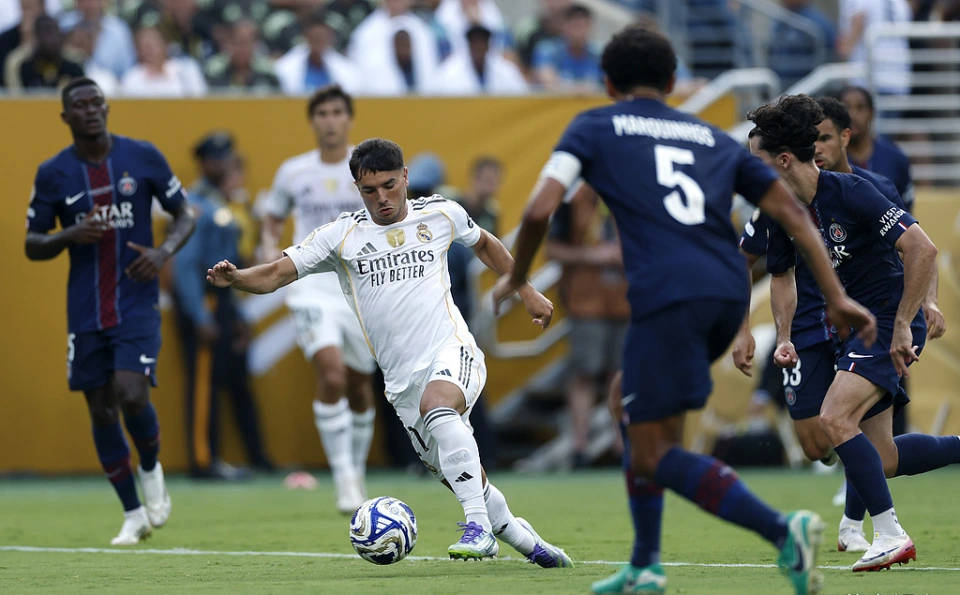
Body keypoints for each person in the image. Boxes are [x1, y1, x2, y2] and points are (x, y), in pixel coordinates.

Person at [493, 25, 877, 595]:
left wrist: (517, 275)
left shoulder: (594, 126)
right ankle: (645, 563)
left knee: (653, 450)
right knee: (629, 403)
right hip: (725, 292)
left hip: (670, 296)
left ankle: (782, 531)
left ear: (607, 82)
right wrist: (838, 296)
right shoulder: (712, 137)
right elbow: (793, 215)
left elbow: (536, 211)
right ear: (673, 81)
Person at [208, 137, 573, 567]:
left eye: (389, 185)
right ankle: (528, 543)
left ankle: (477, 529)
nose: (381, 197)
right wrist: (237, 278)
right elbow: (275, 273)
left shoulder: (440, 213)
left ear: (404, 177)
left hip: (452, 349)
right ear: (357, 189)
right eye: (369, 190)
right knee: (463, 477)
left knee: (439, 407)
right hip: (401, 385)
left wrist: (526, 290)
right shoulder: (341, 236)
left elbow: (485, 243)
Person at [748, 94, 960, 572]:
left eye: (755, 161)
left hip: (888, 322)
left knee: (833, 418)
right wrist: (784, 335)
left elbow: (922, 249)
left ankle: (889, 534)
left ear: (784, 160)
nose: (748, 171)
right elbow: (781, 276)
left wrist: (906, 323)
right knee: (882, 458)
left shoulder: (853, 191)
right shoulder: (783, 210)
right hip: (858, 332)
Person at [24, 77, 195, 544]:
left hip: (136, 299)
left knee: (131, 393)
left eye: (97, 102)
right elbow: (32, 243)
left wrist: (162, 253)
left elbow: (185, 214)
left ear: (107, 107)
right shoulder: (54, 172)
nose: (91, 110)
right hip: (85, 309)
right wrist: (69, 234)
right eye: (80, 105)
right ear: (66, 117)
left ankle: (151, 466)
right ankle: (133, 513)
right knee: (100, 410)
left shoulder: (142, 156)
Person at [259, 85, 377, 513]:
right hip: (309, 286)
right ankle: (344, 478)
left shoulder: (366, 166)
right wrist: (270, 250)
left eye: (337, 112)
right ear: (313, 121)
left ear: (349, 119)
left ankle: (356, 470)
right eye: (322, 113)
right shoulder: (293, 172)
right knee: (332, 376)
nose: (330, 121)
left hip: (358, 287)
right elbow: (273, 217)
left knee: (360, 386)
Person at [172, 132, 273, 479]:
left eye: (226, 157)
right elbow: (186, 265)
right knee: (205, 384)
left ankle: (255, 458)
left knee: (234, 381)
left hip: (224, 301)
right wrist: (200, 315)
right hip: (205, 301)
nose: (223, 164)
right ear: (203, 163)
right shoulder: (194, 204)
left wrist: (239, 314)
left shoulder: (222, 203)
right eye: (216, 158)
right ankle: (203, 460)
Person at [546, 182, 628, 468]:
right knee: (584, 374)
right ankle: (579, 449)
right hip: (586, 305)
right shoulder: (572, 199)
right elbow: (551, 250)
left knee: (622, 376)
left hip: (627, 301)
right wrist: (592, 255)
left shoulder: (633, 192)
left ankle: (623, 446)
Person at [840, 85, 915, 212]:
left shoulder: (895, 158)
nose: (852, 115)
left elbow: (906, 210)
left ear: (872, 113)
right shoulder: (830, 159)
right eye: (846, 107)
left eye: (860, 107)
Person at [430, 23, 527, 95]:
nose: (478, 46)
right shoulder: (450, 72)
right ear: (469, 46)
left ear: (488, 46)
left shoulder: (505, 71)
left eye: (482, 42)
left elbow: (522, 94)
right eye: (475, 42)